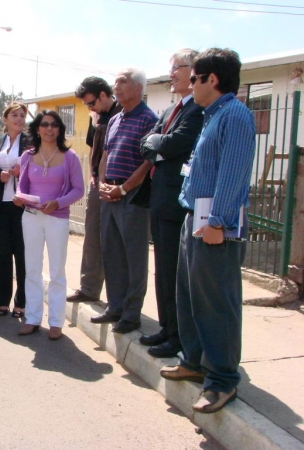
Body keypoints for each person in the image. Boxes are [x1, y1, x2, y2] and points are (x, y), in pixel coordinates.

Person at [160, 48, 256, 414]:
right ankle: (196, 362)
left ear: (211, 80)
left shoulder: (234, 115)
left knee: (217, 305)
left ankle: (222, 382)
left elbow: (232, 175)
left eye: (195, 78)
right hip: (195, 218)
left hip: (215, 224)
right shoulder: (211, 115)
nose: (189, 83)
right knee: (190, 298)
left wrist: (217, 222)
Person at [138, 49, 203, 358]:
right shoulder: (168, 111)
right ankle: (166, 328)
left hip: (179, 205)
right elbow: (147, 144)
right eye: (172, 67)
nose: (172, 73)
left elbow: (177, 144)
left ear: (195, 72)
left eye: (178, 67)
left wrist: (159, 147)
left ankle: (178, 337)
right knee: (162, 271)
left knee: (176, 273)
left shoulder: (198, 111)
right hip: (160, 201)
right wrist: (159, 148)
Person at [91, 68, 158, 334]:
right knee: (112, 253)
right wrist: (105, 182)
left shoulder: (148, 120)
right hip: (110, 195)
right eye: (115, 82)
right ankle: (115, 306)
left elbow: (148, 162)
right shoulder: (115, 119)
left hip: (132, 197)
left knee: (134, 257)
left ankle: (131, 314)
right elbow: (106, 154)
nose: (116, 87)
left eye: (122, 82)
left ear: (138, 88)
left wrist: (124, 188)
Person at [14, 110, 84, 340]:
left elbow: (79, 189)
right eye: (44, 124)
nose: (49, 128)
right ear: (37, 128)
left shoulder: (69, 156)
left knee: (56, 271)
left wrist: (58, 203)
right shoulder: (27, 156)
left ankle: (56, 322)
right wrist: (19, 198)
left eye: (54, 124)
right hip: (31, 217)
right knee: (32, 269)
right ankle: (32, 318)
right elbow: (21, 188)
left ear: (59, 129)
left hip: (58, 218)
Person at [67, 77, 121, 304]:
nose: (89, 108)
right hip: (97, 184)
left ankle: (119, 299)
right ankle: (89, 288)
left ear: (103, 95)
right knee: (92, 237)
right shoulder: (96, 117)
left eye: (91, 103)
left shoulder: (123, 113)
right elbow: (94, 150)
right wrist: (93, 176)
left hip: (120, 187)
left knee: (116, 244)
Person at [0, 102, 31, 318]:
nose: (19, 119)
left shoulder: (31, 142)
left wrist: (22, 172)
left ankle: (22, 303)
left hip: (22, 205)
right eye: (14, 115)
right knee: (1, 254)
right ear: (5, 119)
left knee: (22, 254)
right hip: (0, 205)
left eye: (22, 115)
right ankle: (1, 302)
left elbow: (39, 169)